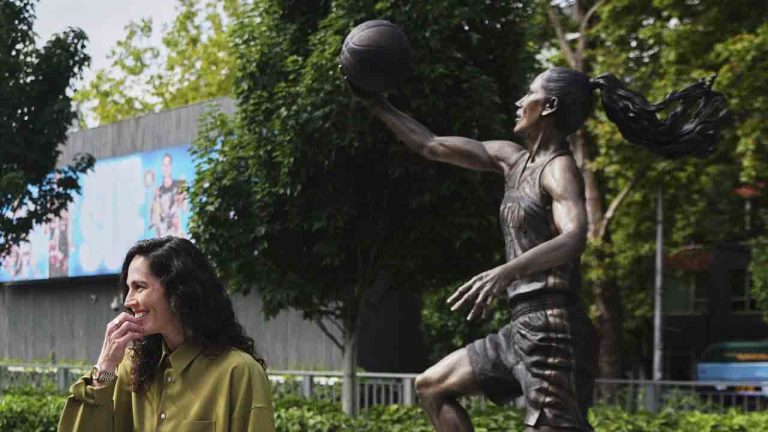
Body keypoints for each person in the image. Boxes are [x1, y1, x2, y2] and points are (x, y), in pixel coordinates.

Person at [350, 67, 725, 431]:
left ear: (548, 107)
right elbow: (430, 145)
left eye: (529, 93)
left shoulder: (559, 169)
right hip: (520, 328)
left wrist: (505, 271)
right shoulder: (511, 160)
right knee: (432, 387)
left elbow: (574, 235)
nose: (519, 101)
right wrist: (375, 102)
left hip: (554, 332)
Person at [58, 236, 275, 431]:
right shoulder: (132, 367)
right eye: (128, 288)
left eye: (140, 287)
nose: (127, 301)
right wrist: (105, 367)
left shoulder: (239, 372)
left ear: (178, 292)